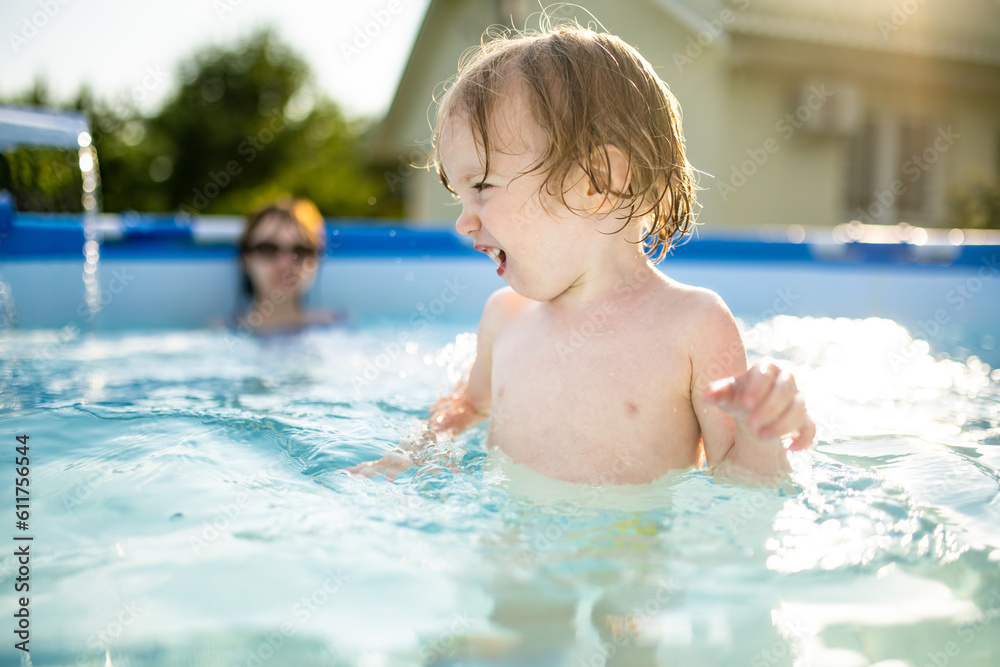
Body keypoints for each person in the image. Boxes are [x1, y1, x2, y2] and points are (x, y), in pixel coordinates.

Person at [348, 25, 815, 486]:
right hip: (504, 558)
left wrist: (762, 431)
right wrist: (417, 450)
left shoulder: (694, 325)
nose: (463, 221)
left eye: (483, 186)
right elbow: (469, 405)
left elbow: (738, 484)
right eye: (459, 197)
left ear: (596, 180)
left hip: (623, 560)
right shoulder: (503, 320)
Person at [235, 197, 337, 334]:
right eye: (268, 249)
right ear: (245, 258)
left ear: (315, 261)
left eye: (300, 250)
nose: (284, 264)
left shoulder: (336, 328)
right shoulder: (221, 333)